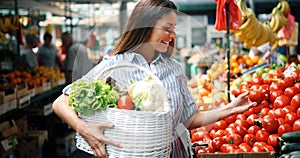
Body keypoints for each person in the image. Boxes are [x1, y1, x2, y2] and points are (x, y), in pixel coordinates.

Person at [52, 0, 257, 157]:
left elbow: (188, 119)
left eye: (174, 29)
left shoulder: (174, 69)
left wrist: (229, 109)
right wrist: (85, 130)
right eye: (167, 28)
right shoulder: (115, 65)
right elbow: (61, 102)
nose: (172, 35)